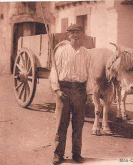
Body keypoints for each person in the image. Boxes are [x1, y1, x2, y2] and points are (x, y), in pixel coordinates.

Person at [50, 24, 90, 164]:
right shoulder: (61, 51)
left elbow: (89, 73)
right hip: (64, 91)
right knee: (61, 124)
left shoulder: (86, 53)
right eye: (72, 33)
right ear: (68, 35)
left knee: (78, 125)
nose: (75, 36)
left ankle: (76, 154)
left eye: (78, 33)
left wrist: (88, 93)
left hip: (79, 92)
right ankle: (58, 155)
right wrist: (57, 90)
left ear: (82, 35)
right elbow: (54, 71)